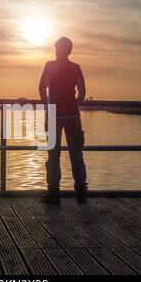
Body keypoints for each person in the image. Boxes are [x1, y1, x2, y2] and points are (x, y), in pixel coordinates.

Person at [39, 37, 88, 204]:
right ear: (70, 51)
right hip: (73, 115)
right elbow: (82, 93)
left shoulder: (49, 66)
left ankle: (54, 192)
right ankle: (81, 191)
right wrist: (76, 102)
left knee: (53, 154)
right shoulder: (75, 68)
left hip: (54, 115)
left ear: (56, 49)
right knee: (76, 153)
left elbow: (41, 88)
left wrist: (48, 105)